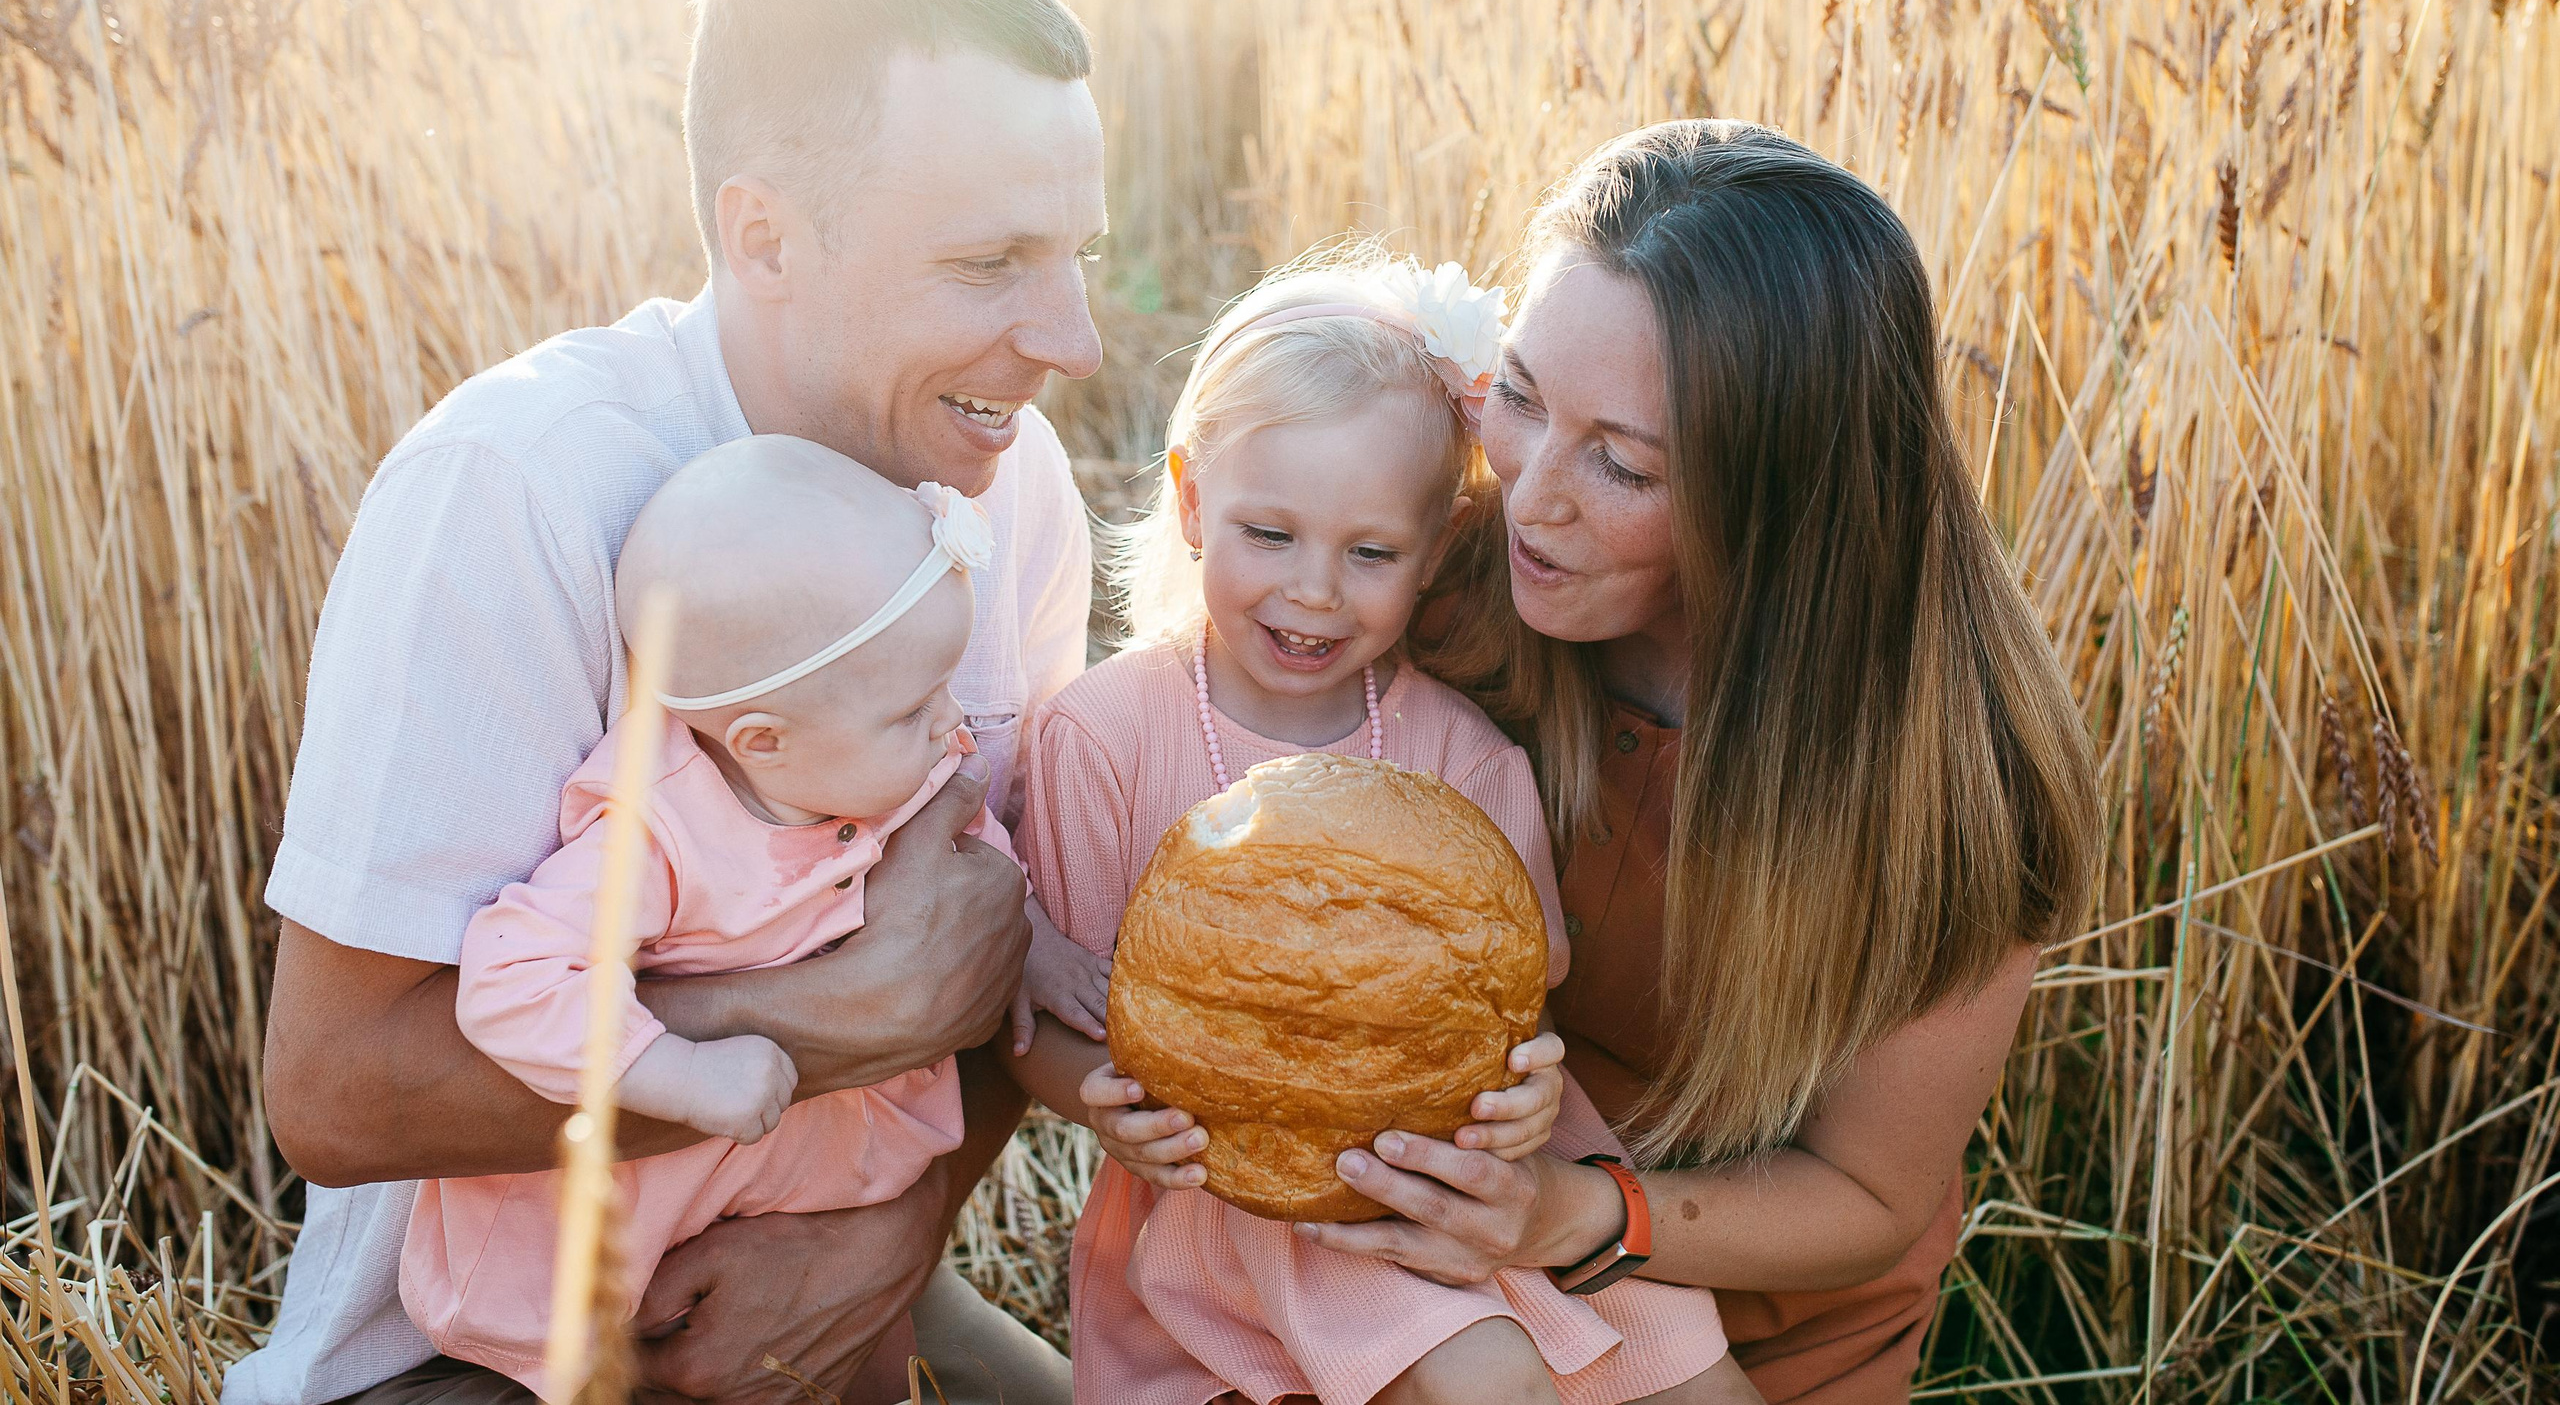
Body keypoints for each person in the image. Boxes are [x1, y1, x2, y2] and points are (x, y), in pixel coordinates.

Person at [236, 0, 1104, 1405]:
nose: (1076, 335)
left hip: (833, 1250)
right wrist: (841, 1018)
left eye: (1080, 255)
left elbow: (991, 944)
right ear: (762, 233)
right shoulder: (516, 490)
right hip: (482, 1351)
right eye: (990, 261)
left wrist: (894, 1232)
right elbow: (335, 1089)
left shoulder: (1005, 479)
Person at [1298, 122, 2104, 1403]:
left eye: (1620, 463)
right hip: (1437, 1268)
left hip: (1755, 1309)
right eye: (1518, 394)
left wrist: (1573, 1214)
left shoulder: (1951, 773)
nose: (1528, 492)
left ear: (1784, 496)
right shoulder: (1447, 584)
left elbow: (1867, 1190)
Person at [1006, 251, 1760, 1405]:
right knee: (1485, 1378)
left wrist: (1521, 1094)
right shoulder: (1103, 736)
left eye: (1369, 553)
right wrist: (1102, 1097)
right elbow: (1051, 1010)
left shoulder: (1460, 751)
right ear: (1194, 497)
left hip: (1465, 1164)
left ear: (1441, 542)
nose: (1314, 591)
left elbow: (1515, 995)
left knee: (1691, 1379)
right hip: (1251, 1193)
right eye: (1270, 533)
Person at [404, 442, 1097, 1391]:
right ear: (763, 740)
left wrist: (1038, 951)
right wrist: (673, 1071)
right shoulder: (659, 836)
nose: (951, 722)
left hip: (827, 1228)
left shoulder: (881, 766)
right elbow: (514, 981)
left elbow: (980, 865)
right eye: (914, 706)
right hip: (629, 1266)